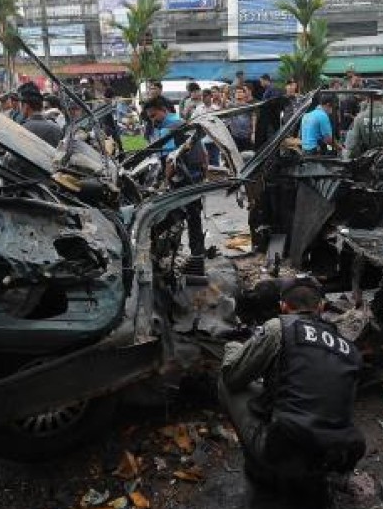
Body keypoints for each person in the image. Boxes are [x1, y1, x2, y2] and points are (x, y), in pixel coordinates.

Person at [219, 276, 366, 489]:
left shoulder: (278, 328)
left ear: (283, 306)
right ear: (321, 307)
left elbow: (233, 377)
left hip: (284, 450)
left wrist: (233, 347)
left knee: (226, 380)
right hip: (334, 455)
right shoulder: (349, 348)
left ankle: (260, 471)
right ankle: (314, 475)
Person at [144, 98, 207, 272]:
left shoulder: (169, 128)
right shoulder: (183, 123)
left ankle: (193, 257)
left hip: (183, 179)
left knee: (175, 215)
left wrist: (164, 182)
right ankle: (197, 253)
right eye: (150, 117)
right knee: (194, 216)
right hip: (195, 177)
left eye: (154, 115)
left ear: (163, 110)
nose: (152, 120)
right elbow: (204, 153)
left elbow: (170, 160)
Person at [343, 94, 383, 160]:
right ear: (382, 98)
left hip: (369, 161)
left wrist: (347, 156)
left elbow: (351, 145)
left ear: (367, 99)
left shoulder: (359, 118)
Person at [18, 82, 63, 147]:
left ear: (26, 105)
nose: (20, 107)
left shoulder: (22, 129)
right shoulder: (57, 128)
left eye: (20, 103)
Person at [226, 84, 256, 151]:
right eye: (237, 92)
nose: (239, 94)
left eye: (240, 92)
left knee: (247, 154)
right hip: (235, 136)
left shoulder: (249, 106)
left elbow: (253, 119)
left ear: (244, 94)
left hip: (246, 136)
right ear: (235, 94)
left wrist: (253, 133)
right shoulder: (230, 106)